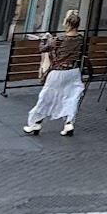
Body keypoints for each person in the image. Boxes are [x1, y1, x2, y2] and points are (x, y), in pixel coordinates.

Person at [23, 10, 85, 138]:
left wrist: (44, 39)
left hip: (58, 72)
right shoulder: (80, 39)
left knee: (46, 97)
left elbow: (43, 49)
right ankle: (69, 123)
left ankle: (36, 123)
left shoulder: (59, 40)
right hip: (73, 72)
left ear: (68, 24)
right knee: (71, 97)